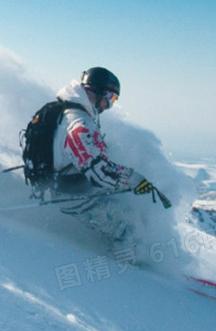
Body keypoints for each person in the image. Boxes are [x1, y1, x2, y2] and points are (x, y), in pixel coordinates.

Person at [51, 67, 158, 244]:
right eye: (111, 99)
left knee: (130, 210)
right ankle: (130, 267)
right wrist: (135, 180)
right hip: (73, 196)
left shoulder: (70, 111)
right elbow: (99, 173)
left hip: (77, 185)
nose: (108, 106)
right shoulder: (78, 123)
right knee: (129, 231)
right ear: (99, 92)